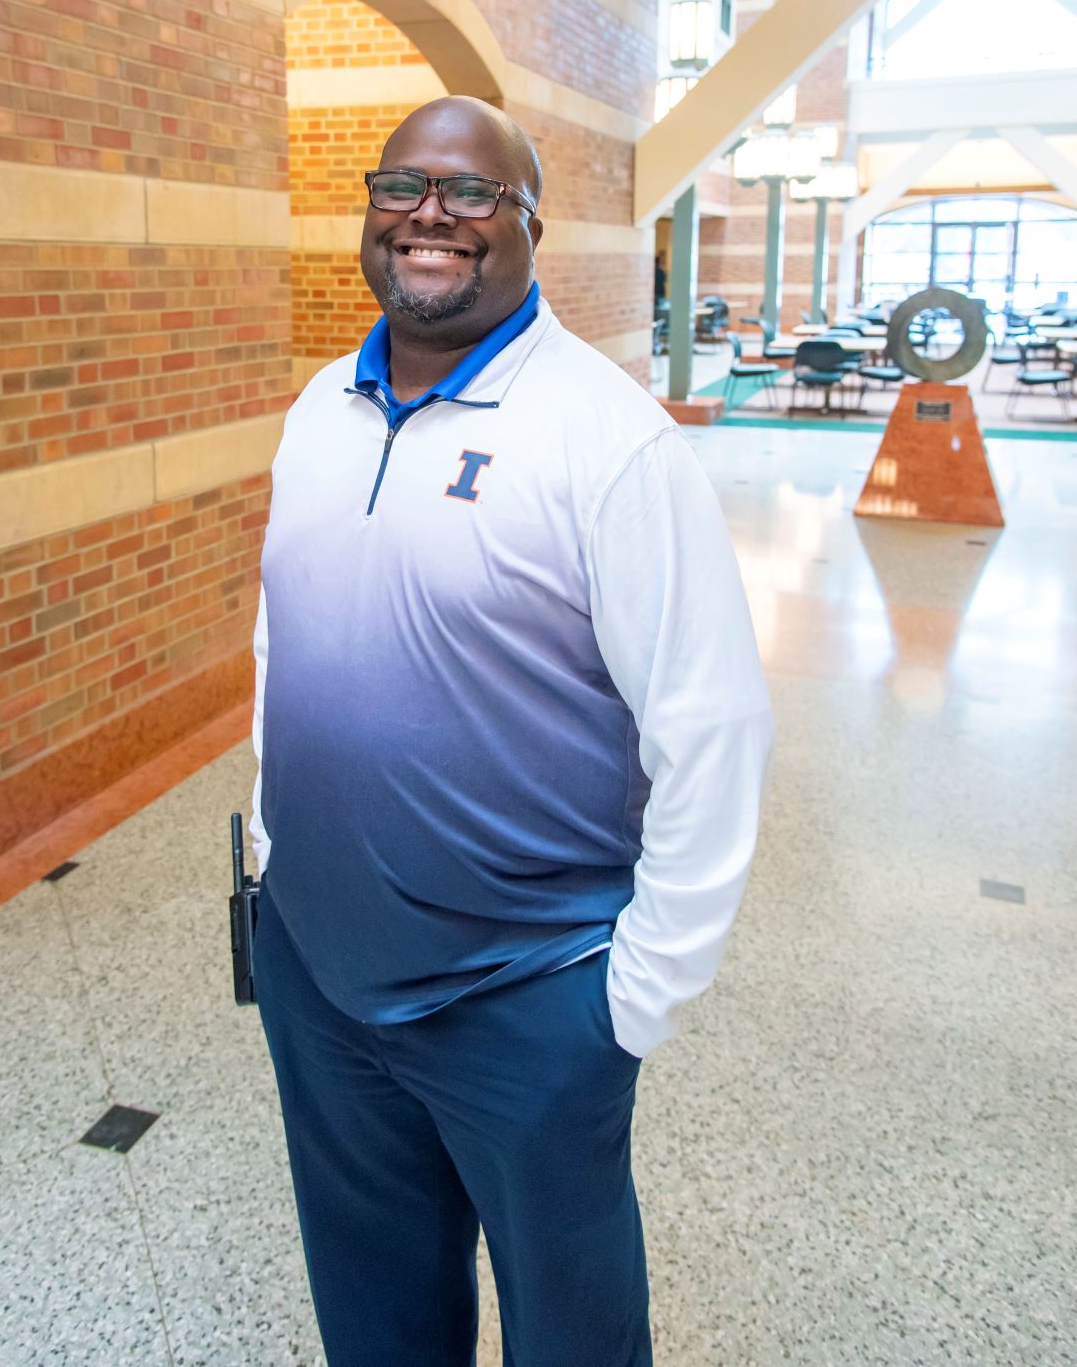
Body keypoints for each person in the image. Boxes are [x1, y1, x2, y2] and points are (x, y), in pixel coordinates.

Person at [250, 95, 772, 1366]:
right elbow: (283, 635)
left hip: (527, 995)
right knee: (373, 1307)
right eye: (402, 185)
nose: (431, 214)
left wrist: (630, 999)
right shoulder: (322, 405)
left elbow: (711, 726)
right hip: (320, 969)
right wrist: (274, 853)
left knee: (572, 1329)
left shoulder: (609, 442)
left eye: (473, 192)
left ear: (529, 221)